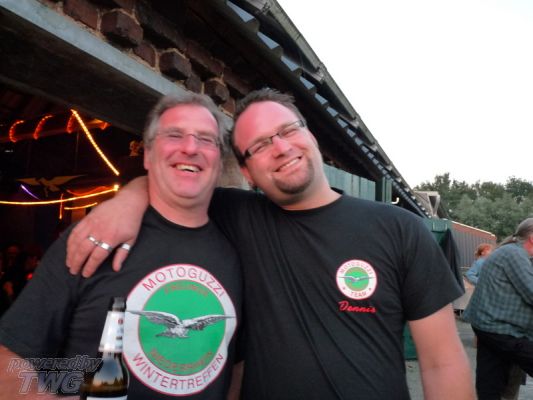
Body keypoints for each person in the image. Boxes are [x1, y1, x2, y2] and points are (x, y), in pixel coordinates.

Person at [66, 88, 474, 399]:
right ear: (246, 172)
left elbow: (441, 361)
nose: (280, 148)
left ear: (309, 135)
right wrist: (127, 199)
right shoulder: (237, 215)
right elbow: (173, 183)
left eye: (288, 131)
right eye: (260, 145)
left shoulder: (399, 228)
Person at [0, 93, 242, 399]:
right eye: (174, 135)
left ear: (219, 161)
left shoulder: (237, 250)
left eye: (206, 139)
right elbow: (8, 358)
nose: (191, 148)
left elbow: (235, 365)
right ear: (147, 155)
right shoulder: (92, 238)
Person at [463, 217, 533, 400]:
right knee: (493, 381)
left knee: (490, 382)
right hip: (500, 328)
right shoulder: (514, 254)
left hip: (490, 326)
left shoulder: (513, 252)